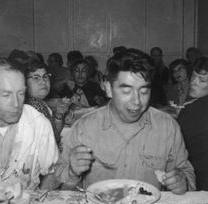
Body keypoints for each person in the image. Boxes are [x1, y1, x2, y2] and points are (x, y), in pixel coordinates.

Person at [58, 50, 195, 194]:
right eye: (126, 91)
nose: (136, 102)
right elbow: (59, 186)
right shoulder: (84, 128)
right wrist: (72, 172)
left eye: (143, 91)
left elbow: (185, 171)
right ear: (109, 89)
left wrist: (182, 182)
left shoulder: (167, 127)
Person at [0, 58, 59, 190]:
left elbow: (54, 172)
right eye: (6, 95)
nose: (16, 104)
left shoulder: (39, 124)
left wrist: (37, 203)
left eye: (21, 93)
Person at [178, 56, 208, 191]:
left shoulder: (195, 109)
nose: (193, 83)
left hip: (201, 174)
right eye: (193, 77)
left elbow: (177, 137)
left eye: (202, 80)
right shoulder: (195, 103)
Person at [24, 60, 70, 147]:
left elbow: (55, 132)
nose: (43, 82)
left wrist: (58, 115)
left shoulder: (41, 103)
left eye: (45, 77)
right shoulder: (32, 107)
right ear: (24, 83)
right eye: (36, 78)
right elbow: (54, 139)